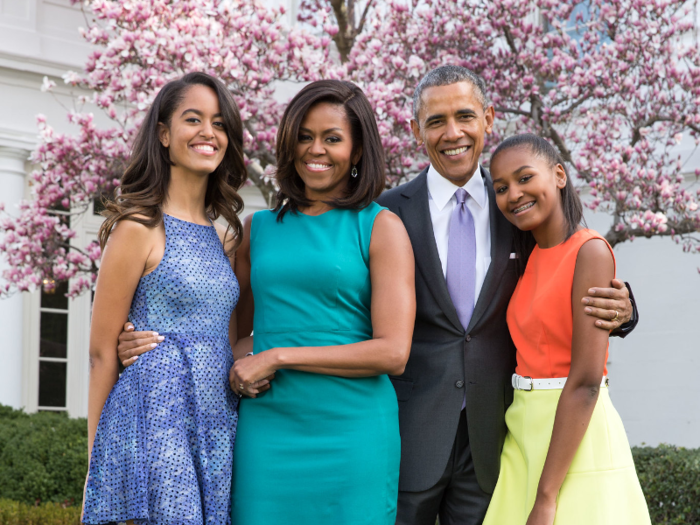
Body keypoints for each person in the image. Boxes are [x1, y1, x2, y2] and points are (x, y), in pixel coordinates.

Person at [375, 66, 639, 525]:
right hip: (411, 433)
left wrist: (625, 309)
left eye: (464, 116)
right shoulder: (386, 214)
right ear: (416, 131)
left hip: (496, 438)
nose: (452, 132)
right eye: (436, 121)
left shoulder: (519, 210)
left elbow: (569, 265)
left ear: (488, 119)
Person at [228, 79, 415, 524]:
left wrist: (276, 355)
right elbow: (229, 335)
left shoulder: (382, 227)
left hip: (354, 433)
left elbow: (394, 352)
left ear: (356, 151)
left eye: (333, 138)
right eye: (305, 136)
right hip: (268, 430)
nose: (317, 149)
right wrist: (237, 368)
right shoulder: (258, 229)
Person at [82, 72, 246, 525]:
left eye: (219, 123)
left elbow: (227, 340)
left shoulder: (225, 238)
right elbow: (100, 354)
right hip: (154, 417)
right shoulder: (138, 227)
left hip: (217, 420)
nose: (208, 133)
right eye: (193, 119)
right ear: (164, 133)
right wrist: (99, 467)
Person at [482, 133, 651, 524]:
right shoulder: (526, 258)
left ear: (559, 175)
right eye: (502, 187)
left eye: (525, 178)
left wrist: (546, 496)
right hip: (522, 432)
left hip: (575, 433)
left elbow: (588, 380)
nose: (513, 194)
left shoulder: (589, 251)